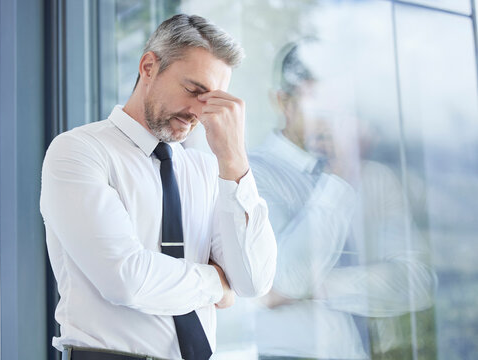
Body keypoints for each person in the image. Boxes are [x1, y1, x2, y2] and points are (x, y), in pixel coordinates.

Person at [40, 14, 277, 360]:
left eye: (210, 99)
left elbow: (253, 280)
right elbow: (126, 278)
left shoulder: (208, 170)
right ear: (149, 67)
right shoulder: (79, 151)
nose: (199, 111)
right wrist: (215, 283)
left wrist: (235, 161)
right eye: (194, 90)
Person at [249, 43, 437, 359]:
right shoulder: (249, 174)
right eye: (318, 105)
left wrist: (325, 287)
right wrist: (339, 176)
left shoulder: (375, 179)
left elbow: (419, 282)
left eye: (341, 107)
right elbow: (289, 277)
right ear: (282, 102)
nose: (331, 120)